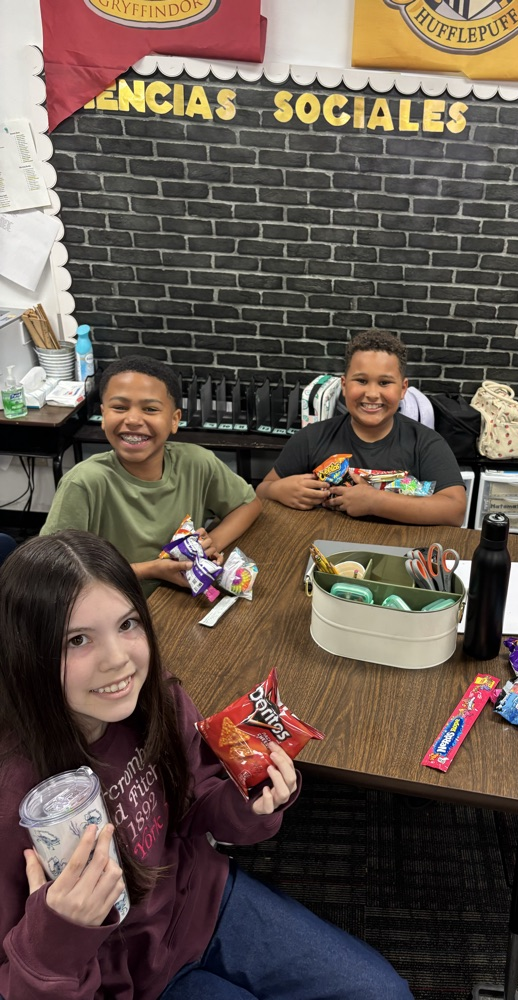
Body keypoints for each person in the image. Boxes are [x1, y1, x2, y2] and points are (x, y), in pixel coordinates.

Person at [0, 530, 414, 1000]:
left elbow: (196, 803)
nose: (118, 661)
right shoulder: (15, 798)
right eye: (78, 639)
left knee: (383, 993)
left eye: (128, 624)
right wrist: (57, 938)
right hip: (123, 982)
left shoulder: (158, 701)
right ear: (24, 653)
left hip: (202, 901)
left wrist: (249, 800)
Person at [40, 356, 262, 596]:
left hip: (176, 599)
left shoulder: (197, 462)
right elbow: (52, 571)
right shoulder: (84, 483)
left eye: (150, 409)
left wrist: (211, 544)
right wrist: (149, 570)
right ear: (103, 416)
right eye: (120, 407)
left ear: (174, 420)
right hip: (111, 604)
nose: (133, 420)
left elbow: (248, 504)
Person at [256, 330, 466, 526]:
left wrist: (376, 502)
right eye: (362, 381)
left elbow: (455, 510)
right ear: (345, 386)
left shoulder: (426, 443)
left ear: (403, 389)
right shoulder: (311, 438)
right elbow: (261, 490)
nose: (372, 393)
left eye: (384, 383)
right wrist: (278, 490)